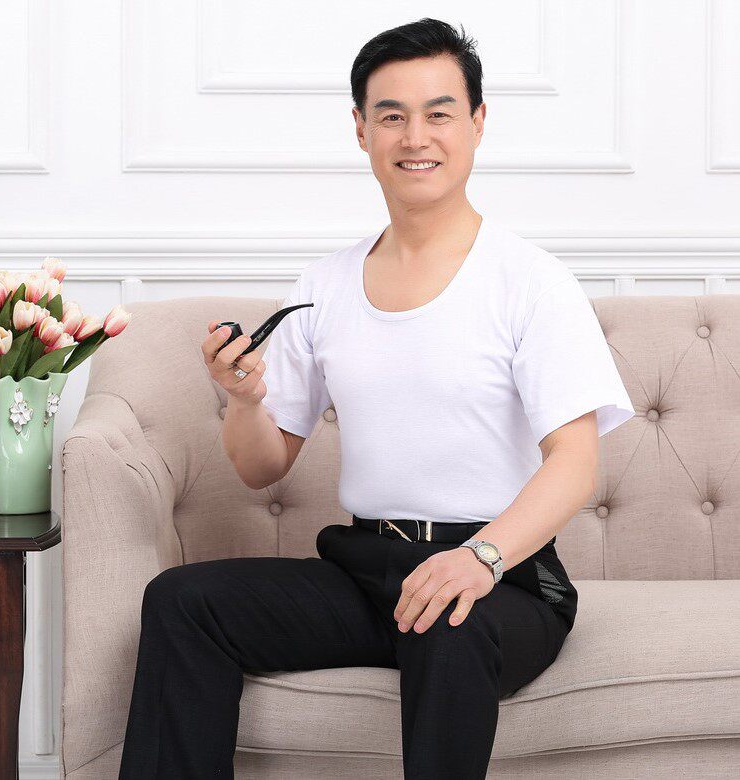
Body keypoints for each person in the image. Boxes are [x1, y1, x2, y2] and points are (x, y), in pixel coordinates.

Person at [118, 18, 636, 779]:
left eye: (439, 113)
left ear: (478, 122)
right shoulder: (325, 284)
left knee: (447, 620)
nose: (415, 137)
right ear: (361, 130)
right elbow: (262, 467)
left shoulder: (532, 281)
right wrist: (244, 400)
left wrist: (479, 558)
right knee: (184, 600)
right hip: (368, 566)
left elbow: (575, 462)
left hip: (503, 577)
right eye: (392, 115)